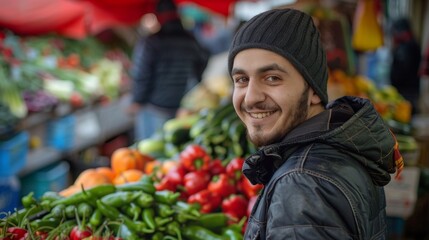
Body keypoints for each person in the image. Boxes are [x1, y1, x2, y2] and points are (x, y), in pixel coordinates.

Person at [228, 8, 404, 239]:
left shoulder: (303, 185)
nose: (251, 97)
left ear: (313, 90)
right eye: (241, 80)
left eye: (272, 78)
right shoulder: (339, 150)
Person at [129, 0, 210, 141]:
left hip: (155, 107)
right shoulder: (190, 40)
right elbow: (203, 59)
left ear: (158, 16)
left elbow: (142, 73)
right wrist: (196, 80)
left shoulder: (151, 42)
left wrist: (137, 100)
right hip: (182, 107)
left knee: (150, 151)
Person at [389, 18, 422, 114]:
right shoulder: (411, 44)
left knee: (405, 114)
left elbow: (403, 68)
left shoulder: (407, 47)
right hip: (408, 90)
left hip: (406, 91)